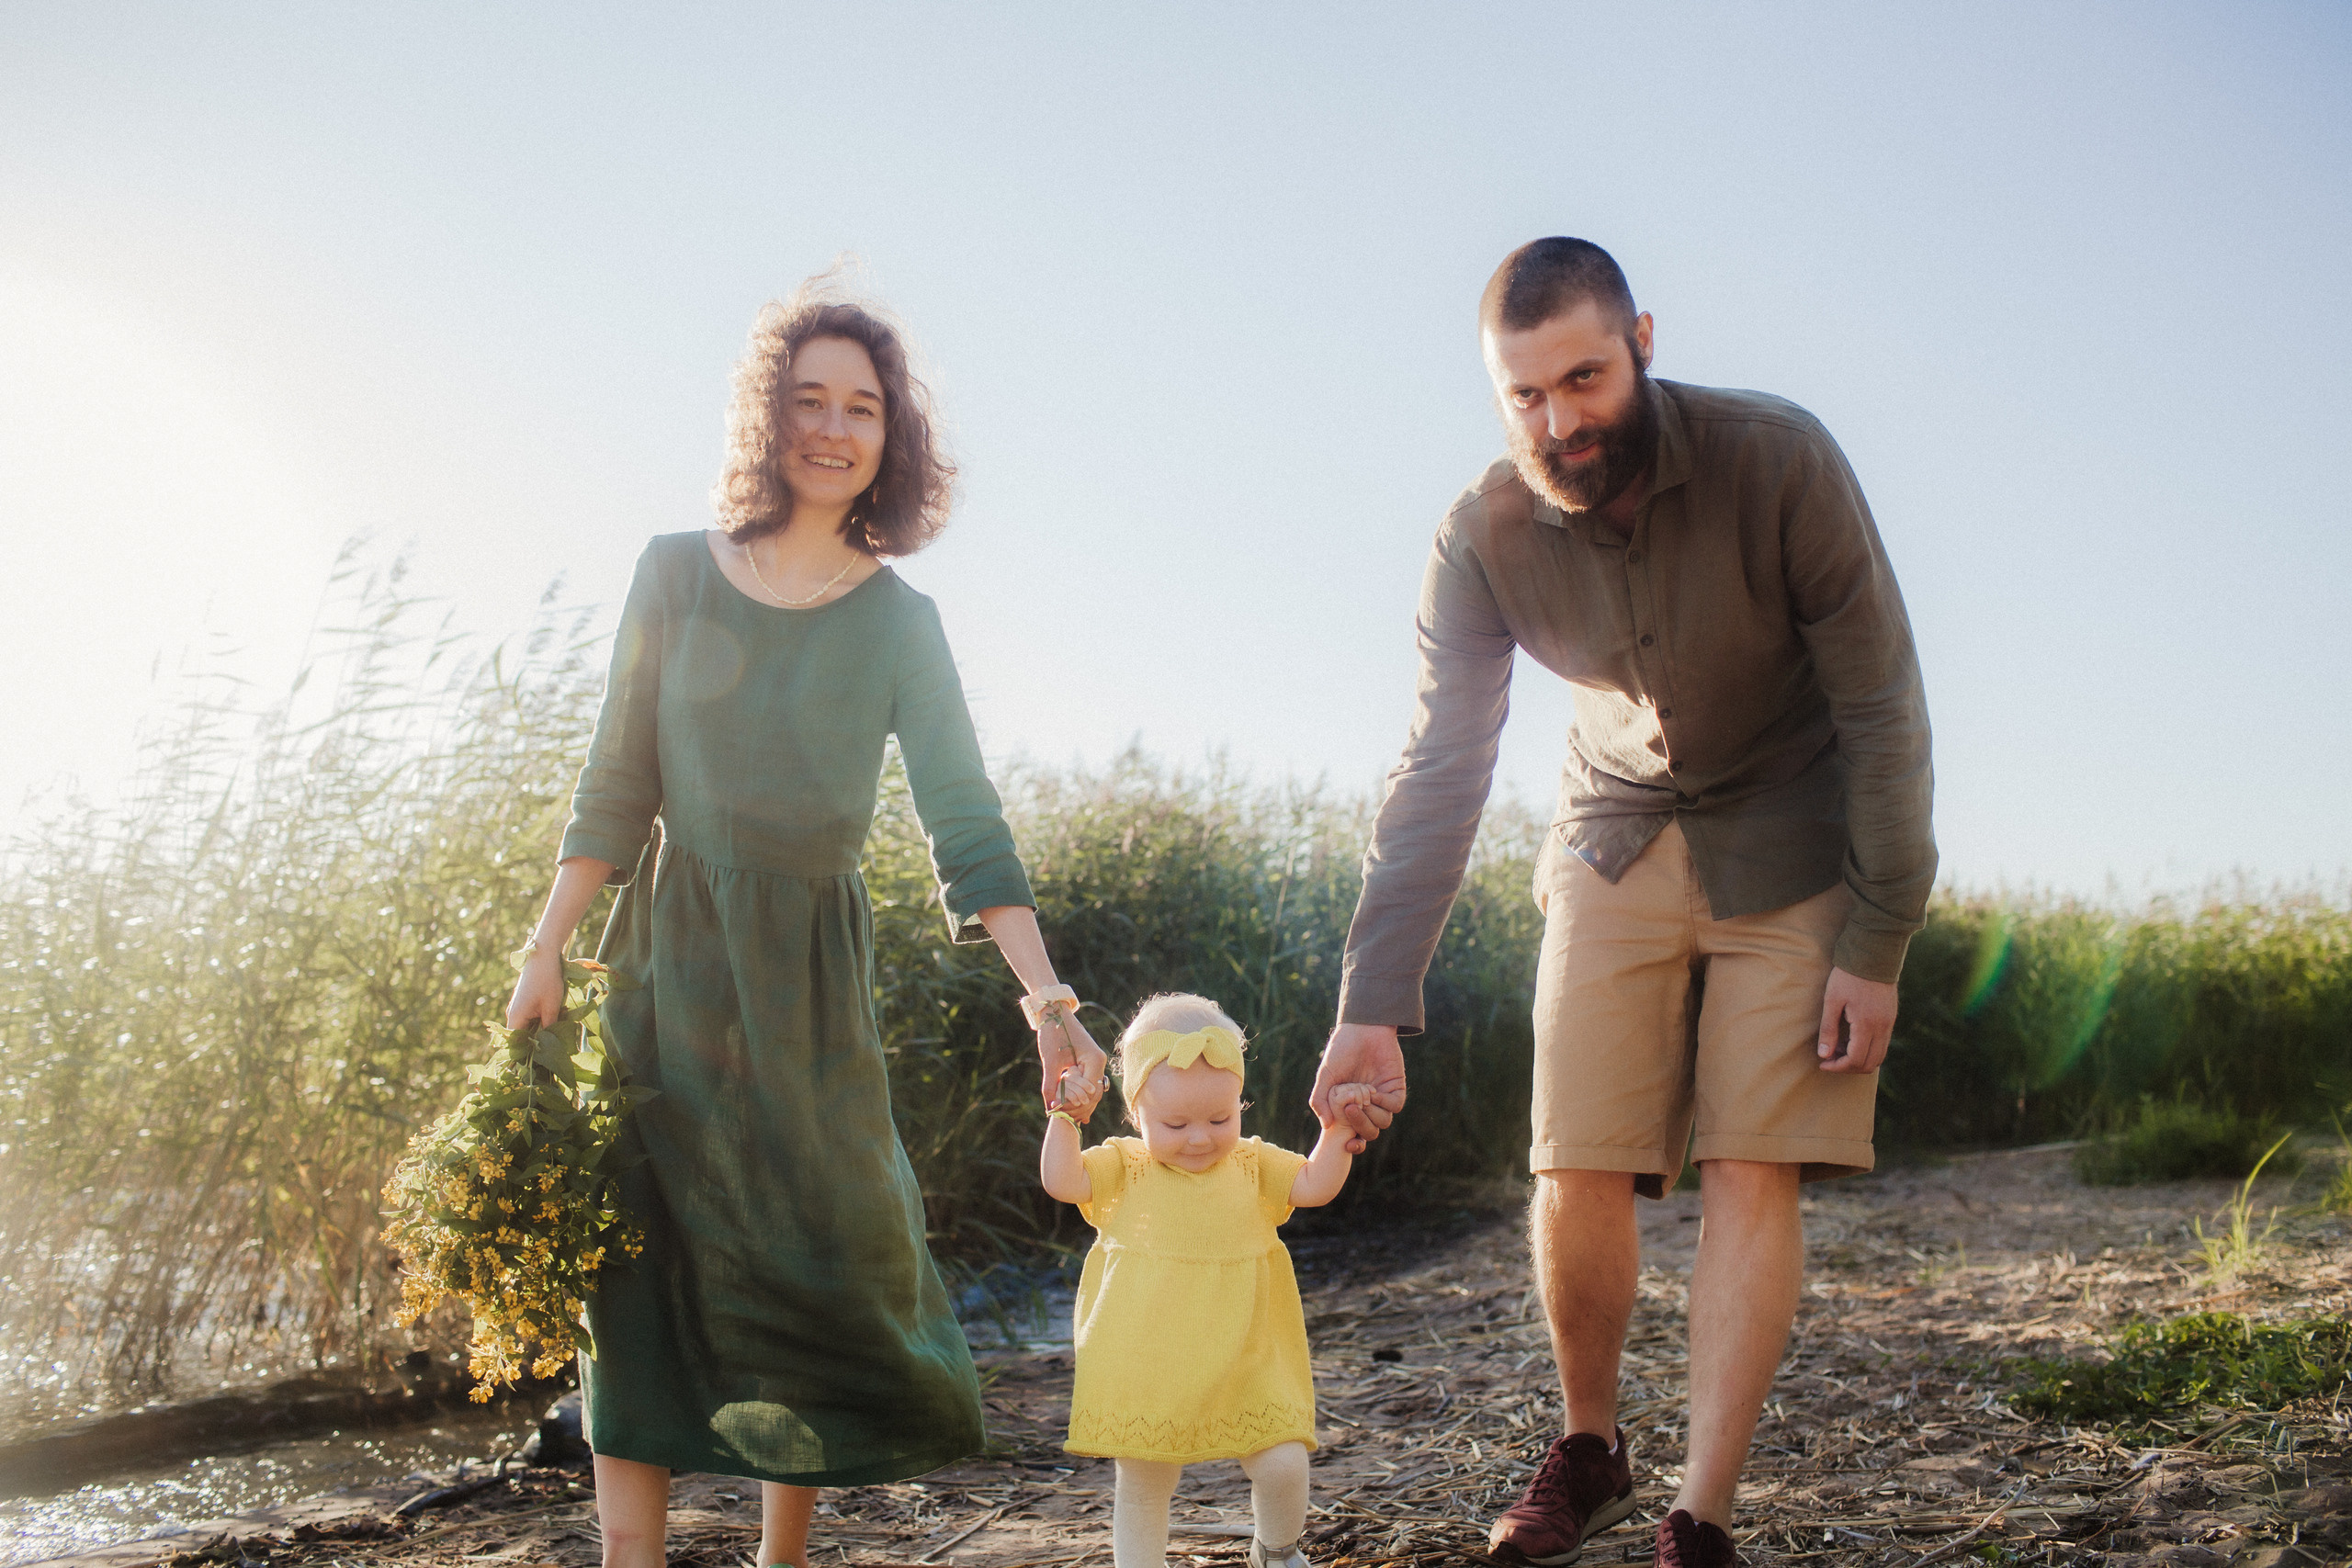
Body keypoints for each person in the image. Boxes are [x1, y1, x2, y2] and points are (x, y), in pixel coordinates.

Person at [1309, 237, 1936, 1568]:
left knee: (1749, 1157)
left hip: (1794, 822)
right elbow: (1441, 765)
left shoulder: (1784, 461)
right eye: (1523, 395)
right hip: (1611, 826)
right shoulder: (1480, 534)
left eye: (1583, 379)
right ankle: (1588, 1446)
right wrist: (1374, 1002)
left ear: (1642, 338)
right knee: (1573, 1148)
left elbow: (1882, 705)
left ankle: (1697, 1513)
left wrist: (1877, 937)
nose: (1558, 420)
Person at [505, 277, 1111, 1568]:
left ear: (893, 438)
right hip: (669, 964)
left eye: (863, 408)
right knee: (643, 1257)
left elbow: (966, 818)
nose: (833, 429)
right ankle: (633, 1555)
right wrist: (549, 937)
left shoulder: (902, 621)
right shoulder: (673, 572)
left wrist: (1049, 1001)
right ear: (766, 416)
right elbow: (617, 776)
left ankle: (784, 1553)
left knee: (828, 1251)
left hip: (811, 986)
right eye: (809, 401)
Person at [1040, 994, 1364, 1568]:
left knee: (1284, 1460)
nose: (1199, 1138)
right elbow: (1063, 1181)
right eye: (1174, 1123)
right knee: (1145, 1477)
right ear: (1136, 1113)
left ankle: (1277, 1550)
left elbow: (1313, 1185)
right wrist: (1065, 1118)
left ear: (1240, 1103)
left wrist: (1336, 1134)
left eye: (1221, 1119)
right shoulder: (1126, 1165)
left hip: (1247, 1350)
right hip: (1150, 1357)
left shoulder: (1251, 1162)